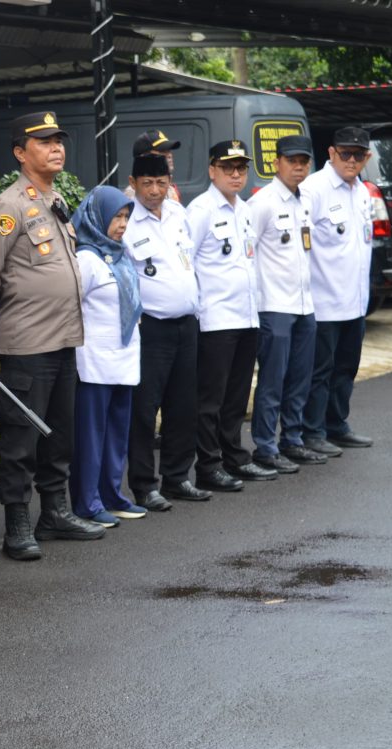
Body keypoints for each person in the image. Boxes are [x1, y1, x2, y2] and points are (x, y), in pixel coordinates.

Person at [0, 111, 107, 562]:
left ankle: (54, 512)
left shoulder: (55, 199)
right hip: (28, 344)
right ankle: (16, 525)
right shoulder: (9, 205)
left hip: (63, 340)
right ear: (19, 152)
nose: (56, 147)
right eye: (44, 140)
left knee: (59, 436)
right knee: (20, 440)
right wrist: (19, 301)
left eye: (58, 140)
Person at [186, 140, 276, 492]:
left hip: (246, 317)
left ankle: (234, 457)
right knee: (210, 399)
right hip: (216, 320)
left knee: (238, 397)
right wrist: (198, 311)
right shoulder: (201, 210)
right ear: (212, 171)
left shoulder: (244, 210)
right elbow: (186, 262)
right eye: (228, 168)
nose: (236, 174)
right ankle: (208, 465)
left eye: (241, 168)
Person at [122, 152, 208, 512]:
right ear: (134, 182)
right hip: (151, 328)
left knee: (183, 405)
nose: (154, 191)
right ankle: (144, 485)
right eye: (147, 184)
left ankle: (177, 477)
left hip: (186, 324)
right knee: (145, 409)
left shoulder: (178, 214)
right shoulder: (127, 221)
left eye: (161, 183)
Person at [247, 134, 327, 473]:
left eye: (304, 161)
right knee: (272, 380)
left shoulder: (304, 199)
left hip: (304, 304)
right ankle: (265, 446)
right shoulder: (263, 202)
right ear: (276, 162)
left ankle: (291, 439)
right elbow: (247, 254)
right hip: (274, 305)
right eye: (292, 160)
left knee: (300, 378)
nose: (299, 167)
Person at [68, 185, 146, 525]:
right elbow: (71, 308)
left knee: (117, 433)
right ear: (98, 217)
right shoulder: (86, 259)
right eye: (116, 216)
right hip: (95, 361)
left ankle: (112, 494)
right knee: (91, 436)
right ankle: (87, 501)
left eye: (126, 216)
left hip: (124, 357)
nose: (122, 223)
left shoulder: (120, 253)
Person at [300, 126, 375, 456]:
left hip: (355, 300)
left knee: (347, 367)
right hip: (323, 299)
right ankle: (311, 431)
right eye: (345, 153)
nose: (351, 160)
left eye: (358, 155)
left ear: (367, 157)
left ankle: (337, 424)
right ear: (331, 153)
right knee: (319, 371)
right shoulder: (313, 189)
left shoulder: (362, 192)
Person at [124, 129, 183, 203]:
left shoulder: (171, 190)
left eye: (169, 151)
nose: (169, 155)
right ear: (143, 157)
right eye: (162, 151)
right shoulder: (134, 193)